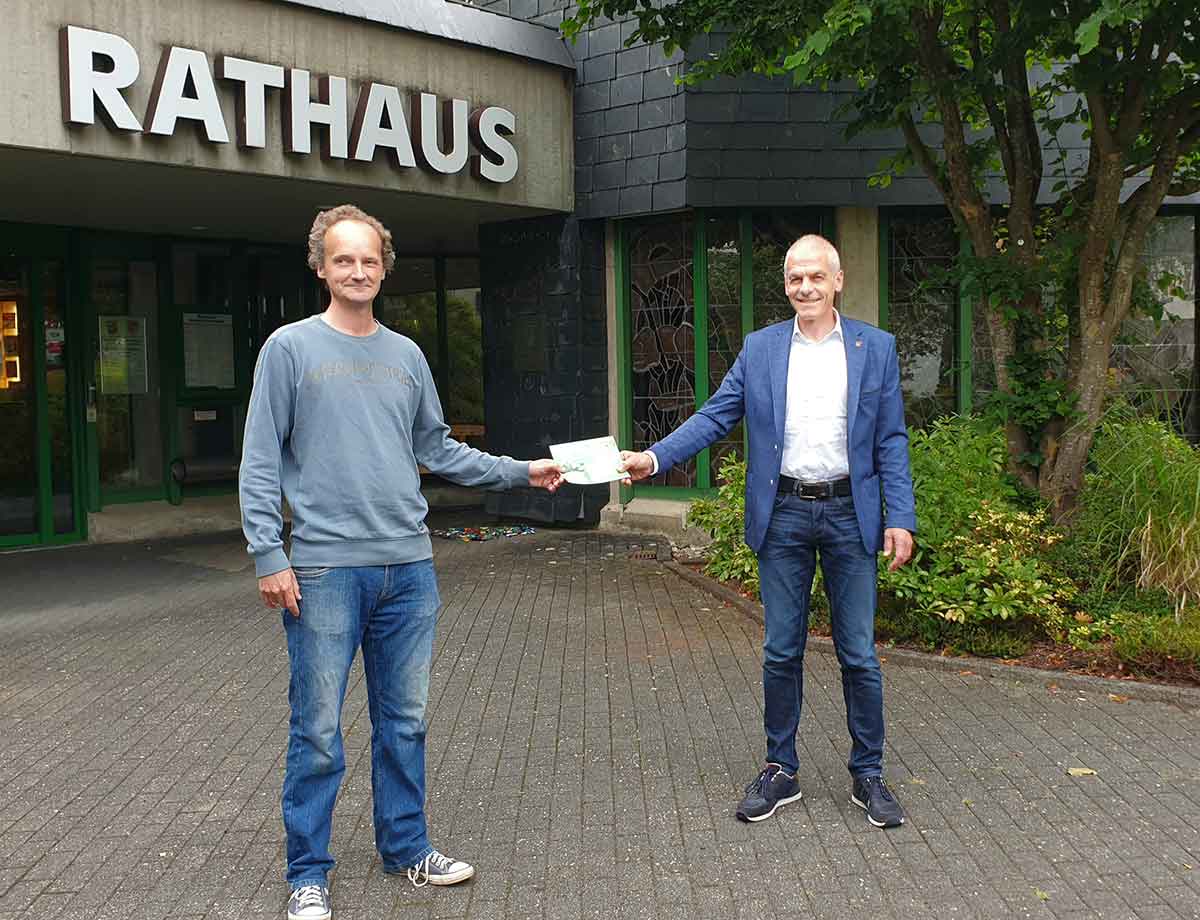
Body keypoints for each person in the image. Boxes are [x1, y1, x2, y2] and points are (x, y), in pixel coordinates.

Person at [239, 204, 564, 920]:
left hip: (409, 569)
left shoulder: (407, 355)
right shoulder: (288, 350)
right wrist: (269, 553)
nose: (358, 270)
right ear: (321, 266)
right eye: (343, 259)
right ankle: (308, 875)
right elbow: (259, 459)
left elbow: (439, 449)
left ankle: (407, 849)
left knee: (405, 721)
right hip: (324, 570)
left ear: (384, 268)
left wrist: (522, 470)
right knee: (318, 729)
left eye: (369, 260)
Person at [619, 234, 916, 829]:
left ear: (837, 281)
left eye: (815, 277)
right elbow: (715, 414)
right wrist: (654, 458)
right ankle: (781, 769)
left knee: (858, 654)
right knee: (782, 650)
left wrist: (900, 516)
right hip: (781, 514)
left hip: (848, 515)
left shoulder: (874, 348)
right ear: (785, 285)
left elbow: (890, 440)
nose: (804, 287)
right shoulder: (760, 349)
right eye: (793, 278)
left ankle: (869, 773)